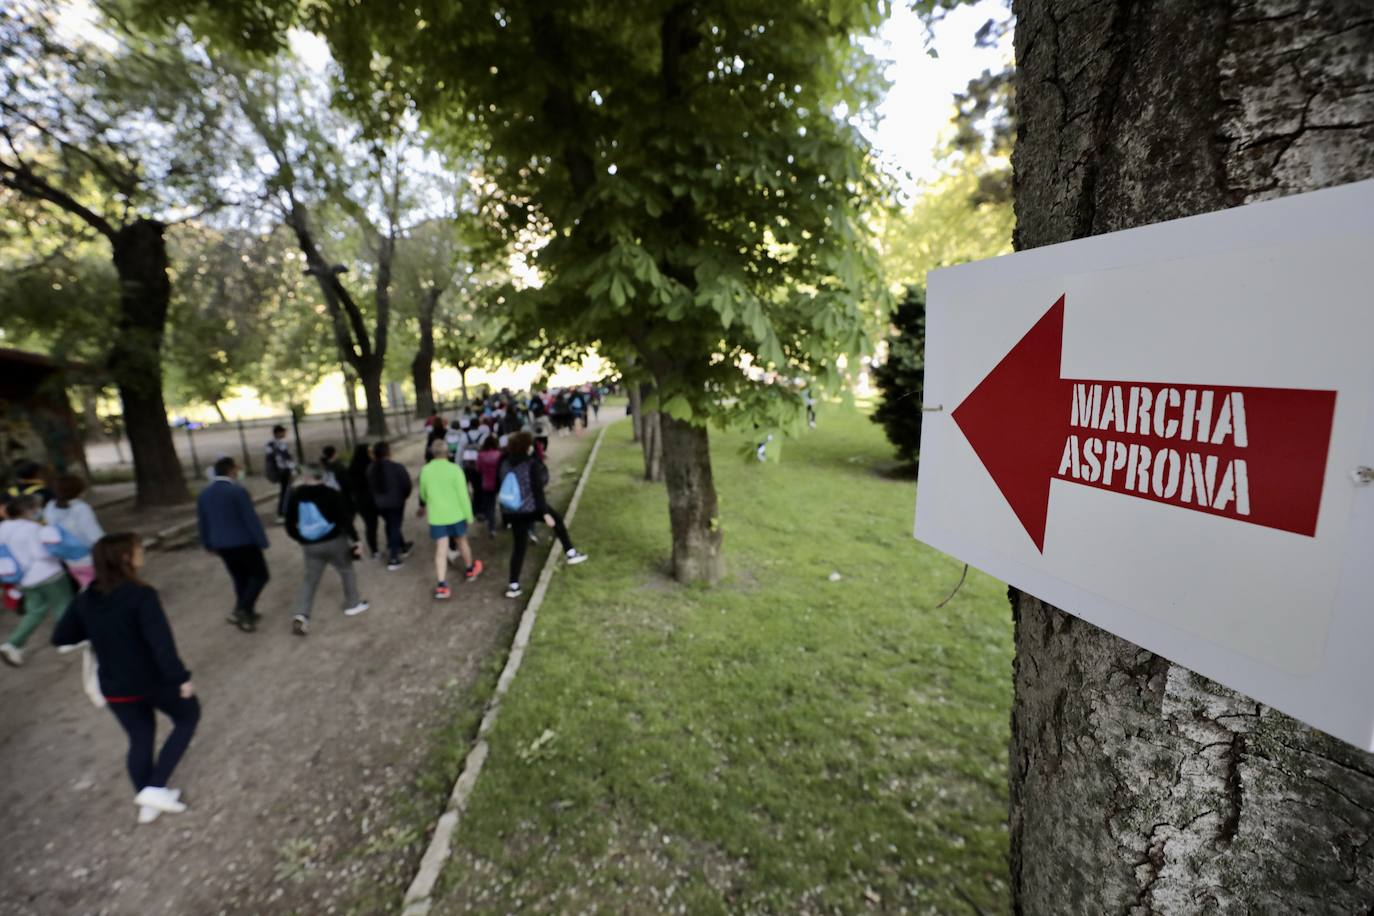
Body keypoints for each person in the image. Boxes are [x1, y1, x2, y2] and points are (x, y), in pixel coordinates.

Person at [52, 533, 199, 824]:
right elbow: (162, 645)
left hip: (114, 685)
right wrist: (181, 678)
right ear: (124, 558)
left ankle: (148, 802)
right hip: (151, 680)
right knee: (188, 717)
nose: (141, 553)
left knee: (140, 736)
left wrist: (98, 631)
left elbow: (61, 637)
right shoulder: (141, 595)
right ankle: (155, 788)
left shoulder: (87, 597)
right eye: (137, 549)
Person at [499, 432, 588, 600]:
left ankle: (513, 585)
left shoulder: (504, 463)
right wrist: (545, 513)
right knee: (558, 522)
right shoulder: (531, 463)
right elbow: (538, 491)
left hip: (513, 511)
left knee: (519, 547)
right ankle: (570, 552)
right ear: (527, 447)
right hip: (533, 507)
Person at [284, 465, 369, 635]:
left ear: (307, 477)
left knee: (310, 580)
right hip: (335, 541)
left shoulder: (295, 495)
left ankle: (301, 615)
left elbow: (289, 524)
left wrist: (301, 539)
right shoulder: (332, 494)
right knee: (346, 570)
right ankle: (353, 604)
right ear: (322, 477)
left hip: (310, 545)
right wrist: (357, 541)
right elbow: (346, 521)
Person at [196, 457, 270, 633]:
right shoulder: (237, 491)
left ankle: (248, 613)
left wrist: (207, 543)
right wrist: (261, 540)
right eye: (237, 467)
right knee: (260, 576)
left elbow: (203, 521)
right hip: (244, 542)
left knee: (240, 578)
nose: (239, 470)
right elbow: (250, 519)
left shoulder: (205, 494)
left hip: (222, 544)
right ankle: (241, 609)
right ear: (230, 470)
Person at [0, 496, 76, 666]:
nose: (37, 512)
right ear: (26, 511)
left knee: (34, 611)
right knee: (63, 604)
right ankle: (67, 640)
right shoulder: (32, 528)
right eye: (35, 509)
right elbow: (42, 553)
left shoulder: (2, 529)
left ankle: (13, 644)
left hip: (22, 579)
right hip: (48, 574)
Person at [417, 439, 482, 599]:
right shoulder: (455, 470)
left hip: (438, 517)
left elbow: (423, 494)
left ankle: (441, 585)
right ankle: (470, 569)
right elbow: (463, 495)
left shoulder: (425, 470)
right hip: (456, 515)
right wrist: (469, 515)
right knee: (462, 541)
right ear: (448, 453)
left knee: (441, 549)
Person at [43, 474, 105, 590]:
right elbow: (93, 534)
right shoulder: (80, 508)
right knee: (101, 588)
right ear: (79, 490)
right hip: (89, 557)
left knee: (87, 587)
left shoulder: (50, 507)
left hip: (69, 558)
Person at [367, 440, 413, 571]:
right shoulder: (397, 467)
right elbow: (407, 485)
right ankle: (394, 558)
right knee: (394, 526)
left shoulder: (371, 469)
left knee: (391, 524)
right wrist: (403, 496)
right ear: (388, 452)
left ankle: (401, 545)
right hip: (396, 502)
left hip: (379, 504)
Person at [347, 443, 381, 560]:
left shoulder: (351, 469)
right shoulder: (372, 466)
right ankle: (398, 545)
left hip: (361, 502)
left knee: (370, 526)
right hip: (374, 500)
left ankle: (374, 550)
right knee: (390, 521)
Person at [265, 425, 295, 522]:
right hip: (283, 471)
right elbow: (286, 458)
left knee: (286, 492)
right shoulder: (279, 444)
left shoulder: (272, 445)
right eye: (283, 432)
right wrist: (292, 468)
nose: (285, 434)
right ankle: (282, 513)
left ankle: (285, 512)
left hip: (281, 471)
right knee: (285, 492)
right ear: (278, 433)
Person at [475, 435, 503, 537]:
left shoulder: (481, 455)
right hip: (500, 482)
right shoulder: (500, 455)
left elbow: (478, 469)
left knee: (490, 506)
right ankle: (506, 522)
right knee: (503, 503)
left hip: (487, 483)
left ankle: (492, 528)